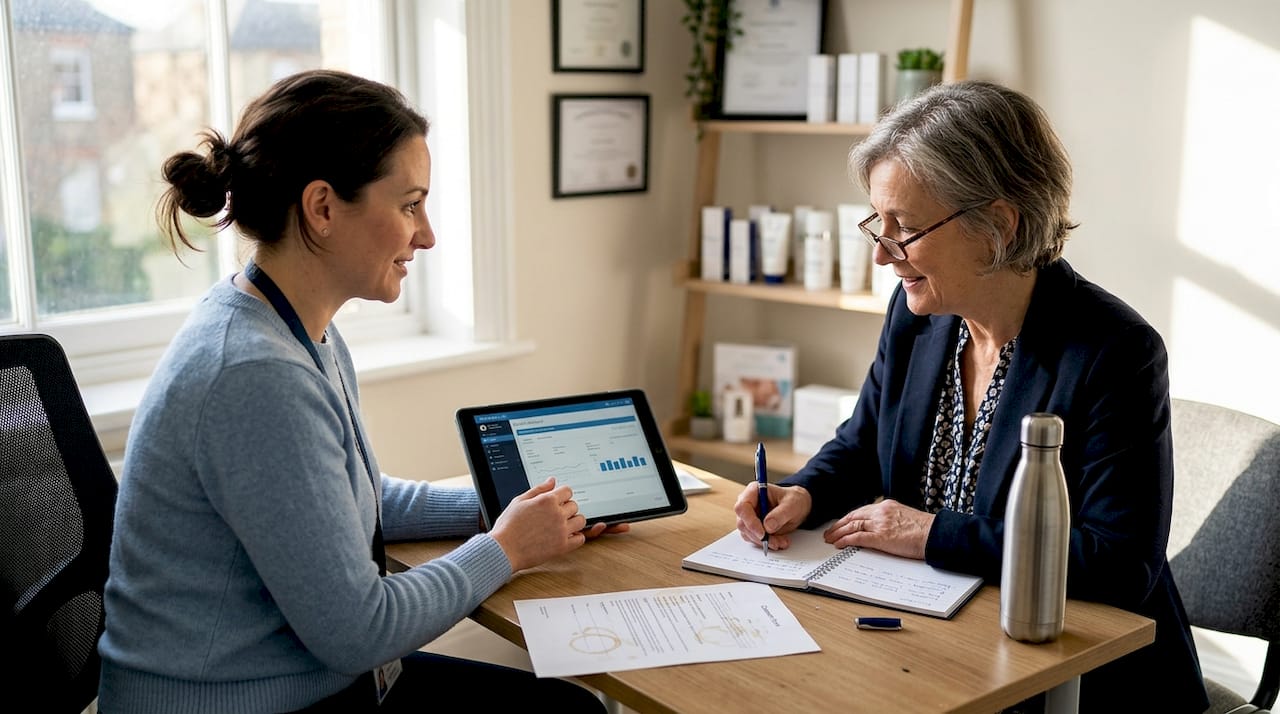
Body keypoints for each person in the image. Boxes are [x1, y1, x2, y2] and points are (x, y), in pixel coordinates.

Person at [97, 69, 625, 713]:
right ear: (322, 208)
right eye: (410, 205)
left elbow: (354, 498)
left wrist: (506, 509)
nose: (426, 234)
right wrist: (507, 547)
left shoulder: (291, 324)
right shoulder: (256, 375)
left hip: (309, 681)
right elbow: (360, 631)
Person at [732, 80, 1208, 713]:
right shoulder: (917, 317)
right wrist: (804, 492)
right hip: (938, 644)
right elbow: (863, 445)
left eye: (906, 228)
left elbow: (1118, 564)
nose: (884, 256)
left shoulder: (1114, 351)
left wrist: (932, 534)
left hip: (1080, 676)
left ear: (998, 226)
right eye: (878, 223)